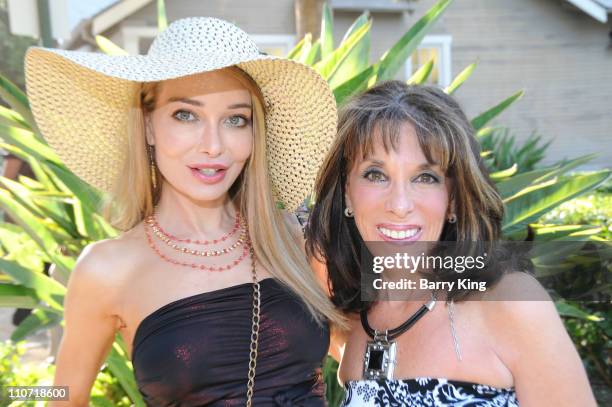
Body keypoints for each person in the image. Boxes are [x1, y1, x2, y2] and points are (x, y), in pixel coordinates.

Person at [25, 17, 344, 406]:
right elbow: (63, 394)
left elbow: (355, 350)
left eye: (235, 119)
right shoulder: (107, 269)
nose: (213, 145)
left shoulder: (288, 237)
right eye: (186, 115)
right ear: (148, 126)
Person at [306, 81, 597, 406]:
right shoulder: (354, 319)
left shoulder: (511, 303)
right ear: (346, 191)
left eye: (425, 177)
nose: (399, 204)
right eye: (376, 174)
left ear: (456, 198)